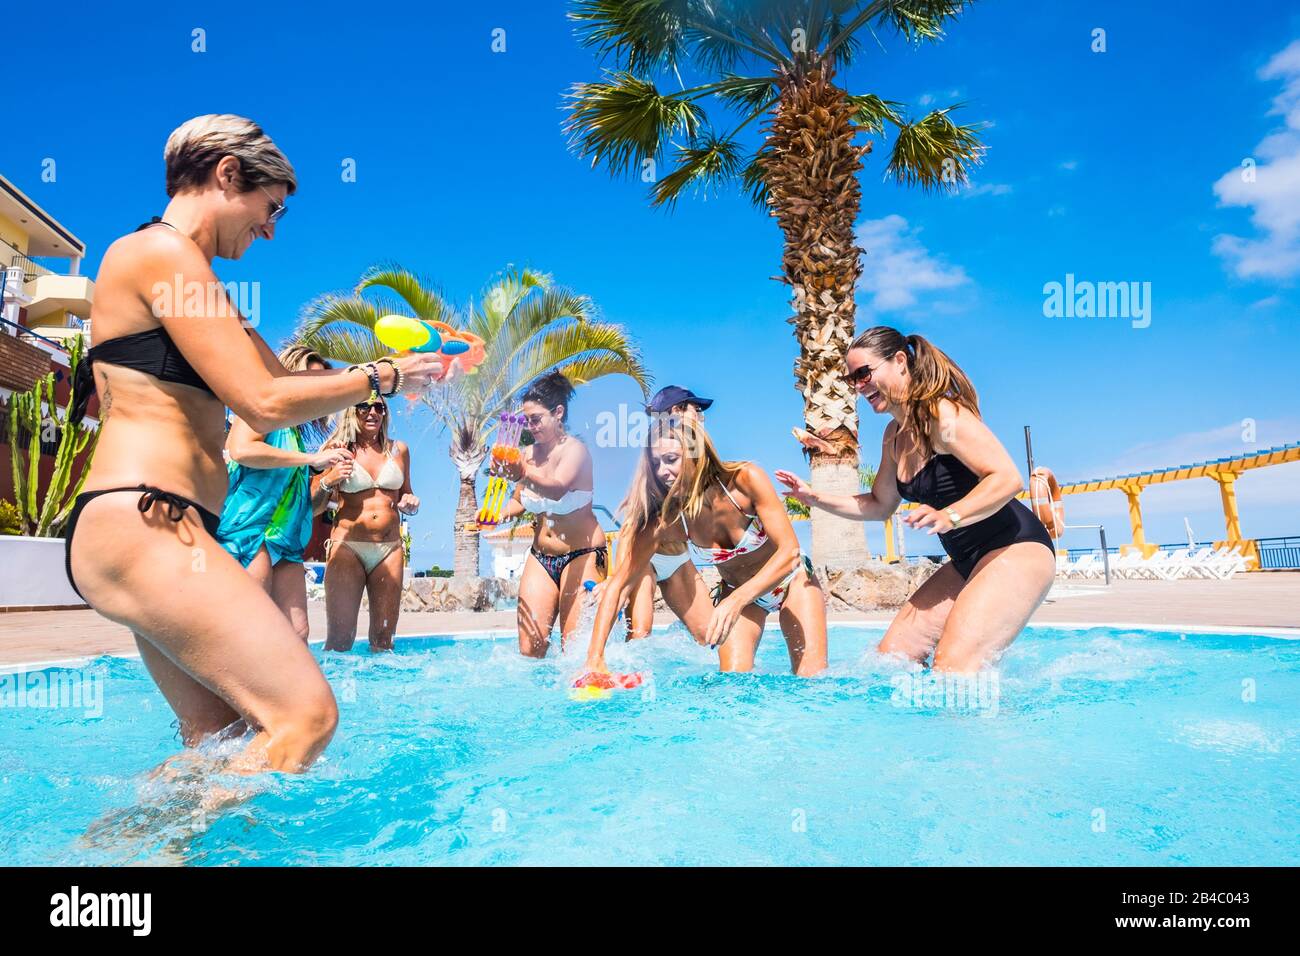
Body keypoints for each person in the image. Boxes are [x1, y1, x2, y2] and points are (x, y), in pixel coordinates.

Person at [62, 115, 445, 773]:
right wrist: (383, 375)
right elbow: (260, 405)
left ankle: (127, 856)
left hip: (153, 525)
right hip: (144, 521)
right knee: (306, 718)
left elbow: (278, 383)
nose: (270, 228)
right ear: (227, 174)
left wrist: (413, 365)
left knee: (222, 739)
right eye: (271, 209)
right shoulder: (159, 253)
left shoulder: (193, 277)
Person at [776, 326, 1055, 673]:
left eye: (864, 373)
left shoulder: (942, 415)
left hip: (1015, 548)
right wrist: (814, 497)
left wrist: (950, 516)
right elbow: (880, 505)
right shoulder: (894, 436)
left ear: (899, 361)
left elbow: (1006, 478)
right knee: (892, 657)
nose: (859, 386)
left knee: (954, 665)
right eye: (852, 380)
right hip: (967, 559)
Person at [584, 416, 828, 677]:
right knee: (732, 686)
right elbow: (619, 585)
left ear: (695, 455)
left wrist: (735, 601)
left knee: (811, 680)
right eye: (655, 463)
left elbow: (789, 552)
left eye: (670, 459)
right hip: (740, 596)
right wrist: (594, 659)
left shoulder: (744, 481)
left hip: (791, 582)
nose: (662, 471)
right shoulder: (667, 521)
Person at [216, 344, 346, 642]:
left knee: (297, 635)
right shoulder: (263, 409)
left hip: (286, 542)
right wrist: (311, 460)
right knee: (250, 630)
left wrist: (320, 473)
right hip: (250, 534)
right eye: (309, 381)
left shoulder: (295, 433)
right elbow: (242, 449)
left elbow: (303, 506)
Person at [498, 371, 607, 657]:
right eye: (526, 420)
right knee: (529, 649)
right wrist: (493, 516)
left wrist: (522, 473)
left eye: (536, 419)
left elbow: (557, 489)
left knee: (574, 650)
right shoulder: (526, 454)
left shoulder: (576, 451)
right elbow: (519, 501)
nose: (530, 426)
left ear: (558, 412)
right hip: (541, 557)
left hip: (582, 555)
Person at [312, 398, 418, 652]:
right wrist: (329, 480)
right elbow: (313, 505)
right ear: (352, 411)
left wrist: (410, 503)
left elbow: (406, 494)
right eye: (364, 406)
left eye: (379, 407)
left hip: (389, 549)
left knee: (384, 641)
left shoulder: (399, 450)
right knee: (339, 641)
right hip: (348, 548)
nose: (372, 412)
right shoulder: (336, 449)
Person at [622, 386, 714, 641]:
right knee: (639, 637)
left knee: (710, 639)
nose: (701, 417)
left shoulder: (698, 455)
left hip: (679, 559)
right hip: (646, 559)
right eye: (697, 410)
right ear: (677, 411)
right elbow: (631, 522)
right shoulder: (659, 459)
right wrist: (620, 575)